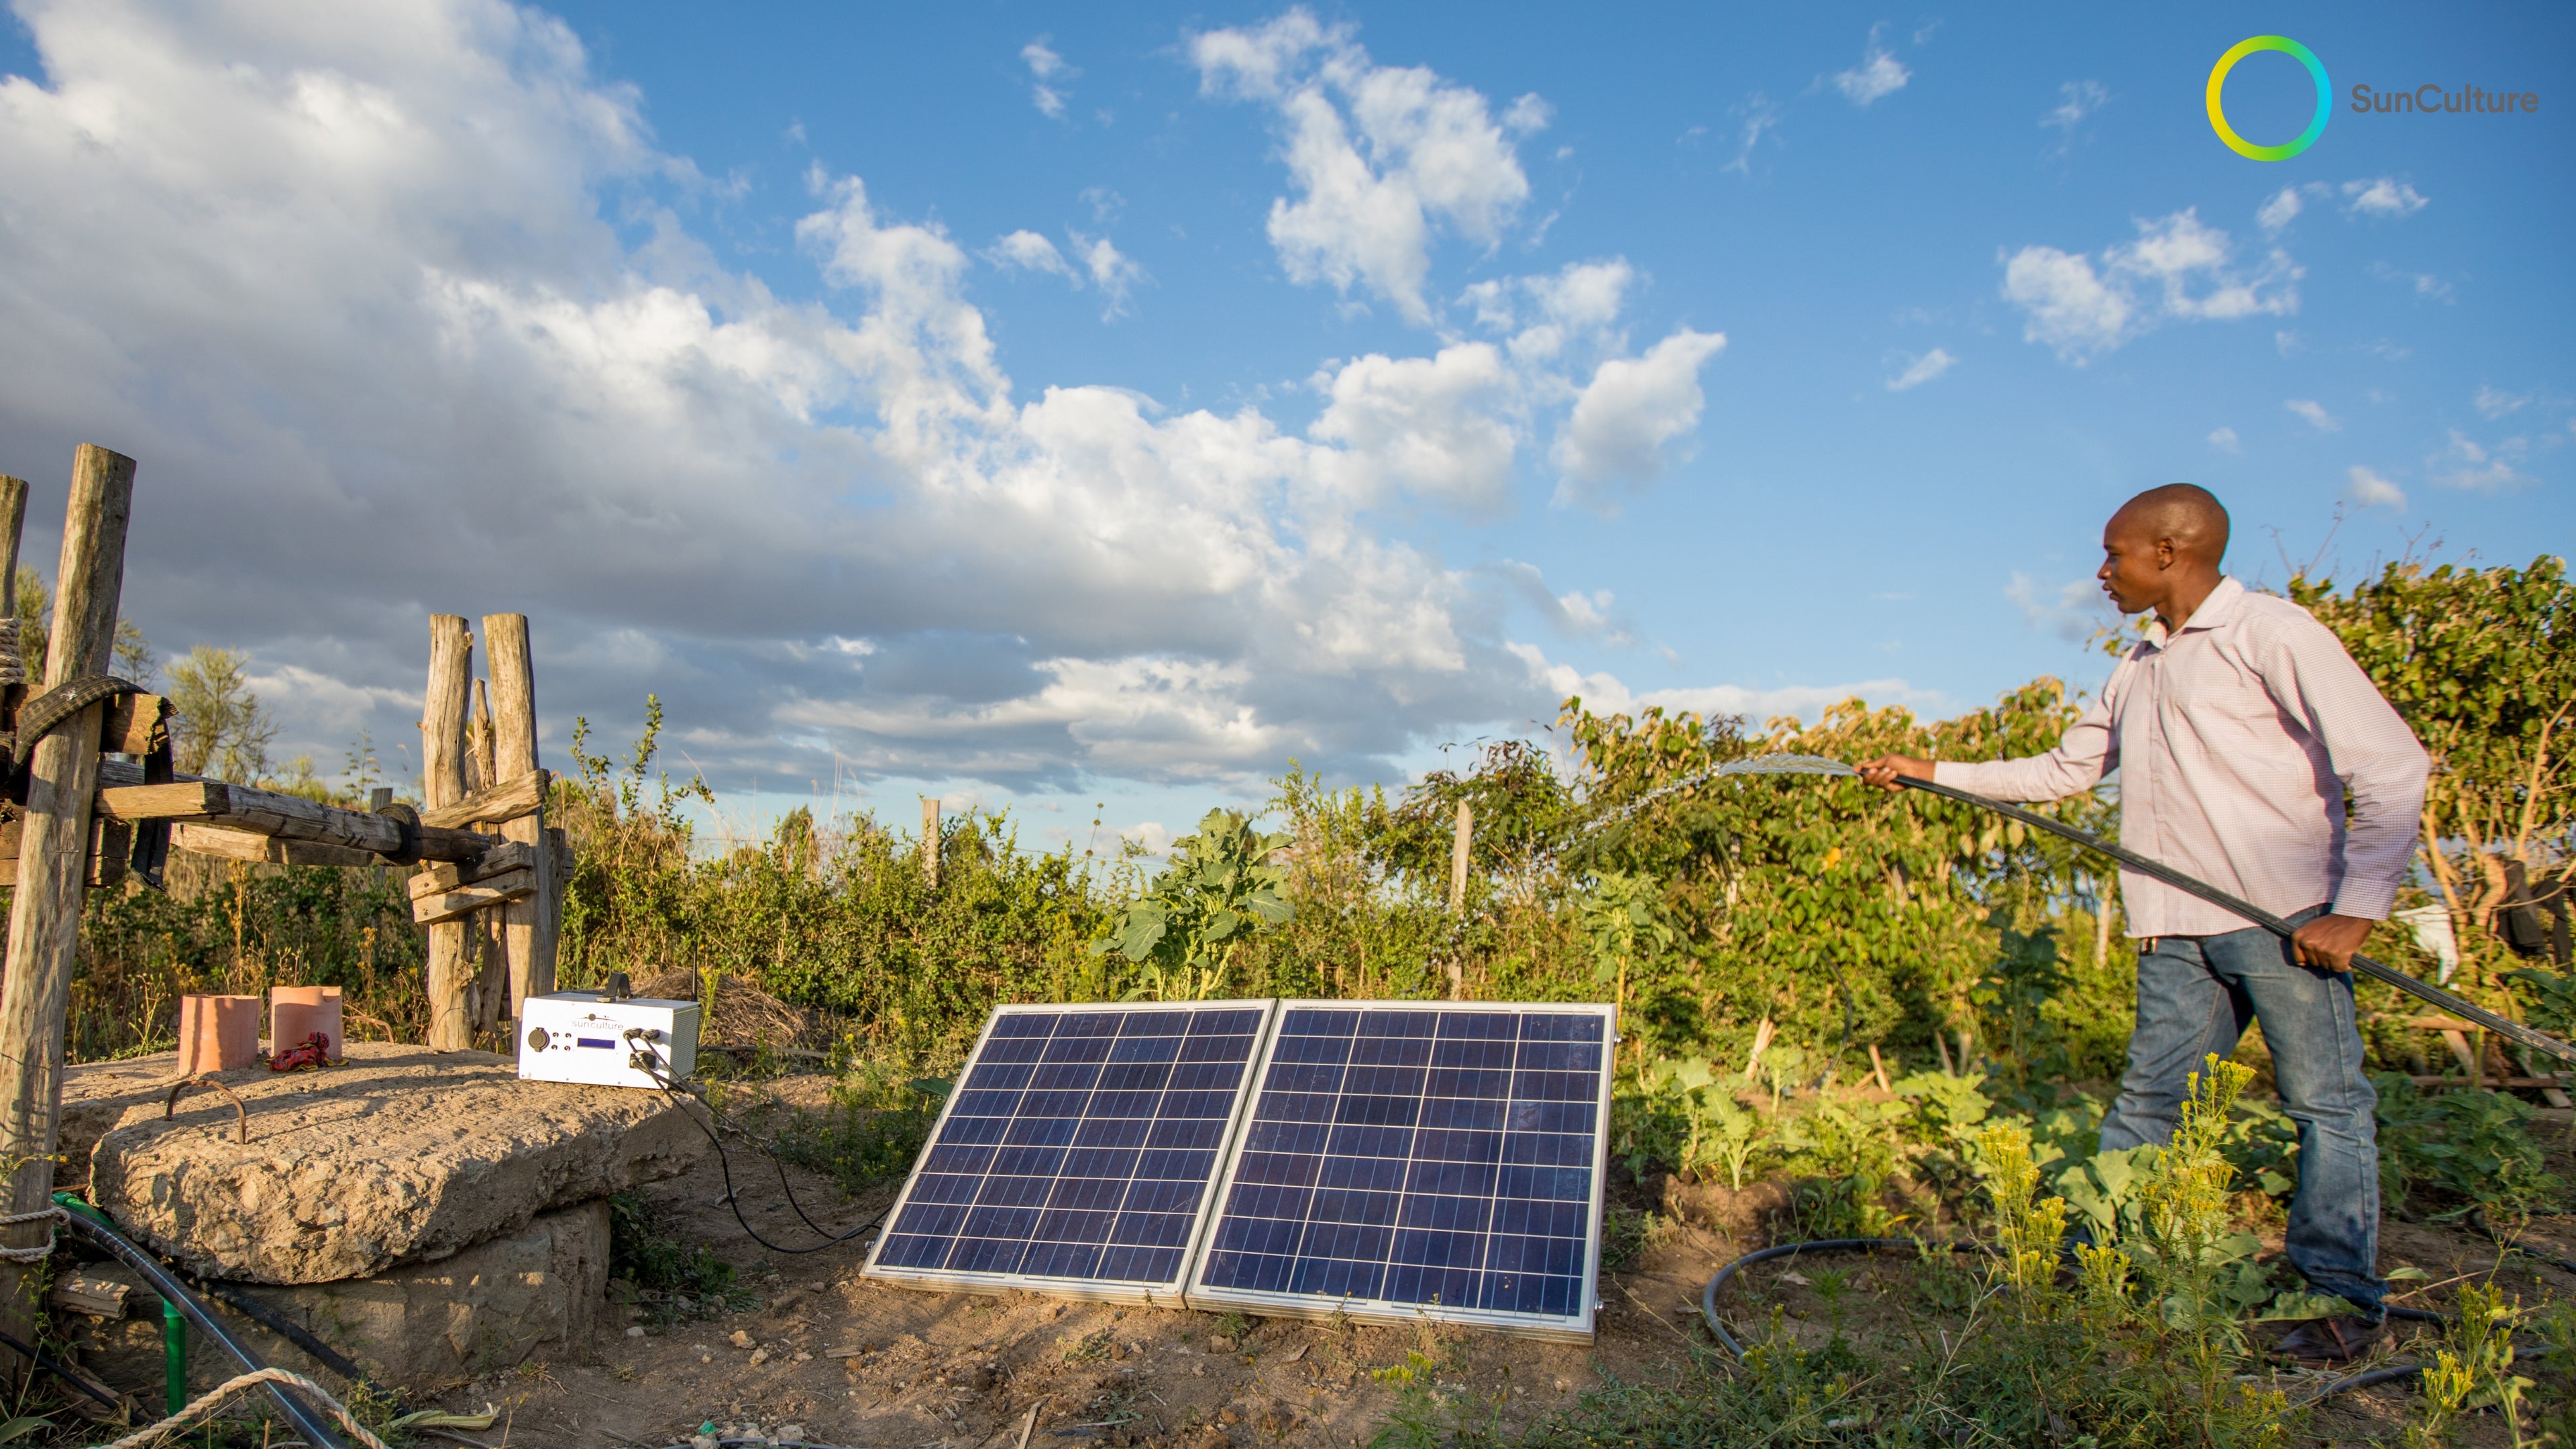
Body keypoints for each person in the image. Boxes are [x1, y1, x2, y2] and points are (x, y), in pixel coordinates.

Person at [1858, 482, 2430, 1364]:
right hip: (2174, 926)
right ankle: (2100, 1272)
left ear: (2170, 550)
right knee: (2147, 1103)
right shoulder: (2140, 663)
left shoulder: (2269, 634)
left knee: (2326, 1106)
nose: (2101, 572)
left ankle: (2338, 1298)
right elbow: (2061, 770)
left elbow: (2391, 761)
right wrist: (1929, 770)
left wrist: (2356, 912)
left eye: (2114, 554)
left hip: (2284, 920)